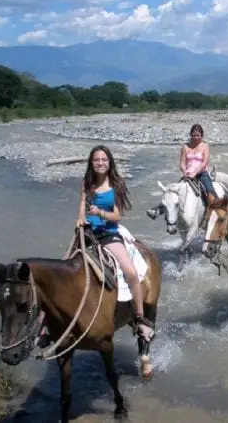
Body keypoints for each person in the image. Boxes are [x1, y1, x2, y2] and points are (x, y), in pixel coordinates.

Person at [75, 145, 155, 341]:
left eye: (104, 159)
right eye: (96, 160)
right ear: (91, 163)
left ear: (109, 162)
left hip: (108, 234)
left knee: (130, 272)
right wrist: (80, 219)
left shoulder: (116, 185)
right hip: (87, 233)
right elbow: (81, 205)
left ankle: (139, 317)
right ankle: (45, 322)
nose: (100, 163)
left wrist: (100, 213)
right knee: (62, 269)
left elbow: (117, 215)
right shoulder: (87, 182)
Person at [179, 123, 218, 202]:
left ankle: (216, 209)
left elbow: (205, 163)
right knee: (172, 194)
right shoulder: (185, 147)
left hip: (201, 174)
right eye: (194, 135)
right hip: (188, 175)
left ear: (201, 136)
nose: (196, 138)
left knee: (212, 194)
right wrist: (184, 171)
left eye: (198, 135)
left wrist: (195, 172)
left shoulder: (205, 146)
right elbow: (182, 163)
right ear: (190, 135)